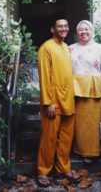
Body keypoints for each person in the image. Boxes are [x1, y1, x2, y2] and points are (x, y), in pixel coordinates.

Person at [37, 14, 80, 187]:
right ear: (52, 29)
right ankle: (43, 170)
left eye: (66, 26)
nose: (64, 29)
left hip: (68, 98)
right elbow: (45, 77)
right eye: (60, 26)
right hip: (53, 100)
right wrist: (48, 102)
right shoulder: (46, 48)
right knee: (49, 138)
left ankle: (64, 168)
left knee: (66, 137)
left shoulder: (66, 46)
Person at [69, 20, 101, 163]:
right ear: (77, 32)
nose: (84, 32)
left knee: (93, 121)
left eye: (87, 29)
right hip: (75, 88)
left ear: (92, 31)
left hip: (95, 88)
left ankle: (93, 151)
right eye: (81, 30)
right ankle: (79, 149)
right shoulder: (70, 48)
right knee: (79, 122)